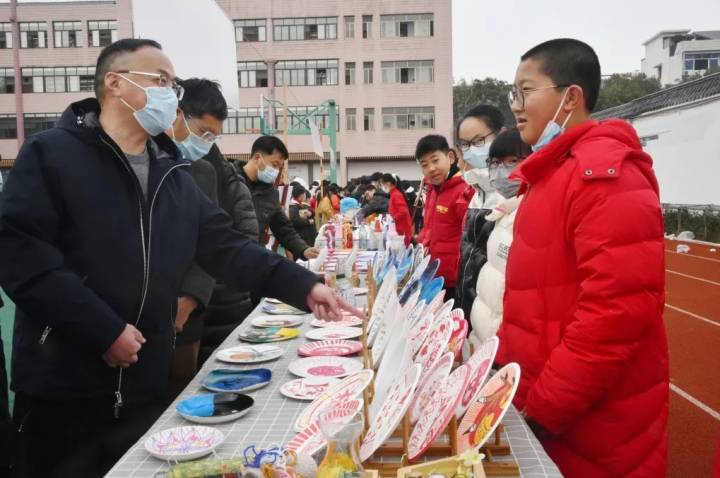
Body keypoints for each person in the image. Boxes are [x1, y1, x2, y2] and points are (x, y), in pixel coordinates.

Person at [0, 38, 356, 478]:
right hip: (64, 384)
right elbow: (23, 257)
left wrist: (305, 285)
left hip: (143, 380)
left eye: (174, 85)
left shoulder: (172, 174)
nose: (171, 94)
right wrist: (103, 330)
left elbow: (227, 246)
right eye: (161, 80)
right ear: (115, 82)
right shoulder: (51, 155)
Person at [496, 38, 668, 476]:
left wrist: (544, 407)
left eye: (526, 91)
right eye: (512, 93)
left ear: (570, 97)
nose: (515, 106)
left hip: (591, 425)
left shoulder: (605, 175)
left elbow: (615, 315)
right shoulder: (553, 172)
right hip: (554, 411)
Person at [468, 128, 530, 346]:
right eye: (494, 163)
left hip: (502, 341)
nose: (501, 171)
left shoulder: (531, 212)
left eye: (512, 160)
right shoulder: (504, 211)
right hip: (485, 331)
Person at [455, 104, 506, 318]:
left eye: (478, 141)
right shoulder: (476, 192)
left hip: (497, 314)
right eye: (465, 144)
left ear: (501, 135)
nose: (472, 150)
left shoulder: (511, 193)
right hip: (473, 309)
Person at [239, 136, 319, 261]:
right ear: (257, 158)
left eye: (279, 167)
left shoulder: (270, 193)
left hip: (253, 258)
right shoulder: (229, 182)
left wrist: (303, 249)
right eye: (274, 165)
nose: (276, 171)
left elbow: (283, 227)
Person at [416, 135, 475, 298]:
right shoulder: (434, 190)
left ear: (450, 157)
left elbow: (470, 240)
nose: (431, 169)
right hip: (434, 275)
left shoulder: (463, 191)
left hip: (454, 281)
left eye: (435, 160)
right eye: (425, 165)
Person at [380, 173, 413, 246]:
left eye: (383, 184)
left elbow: (403, 211)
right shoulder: (393, 194)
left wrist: (392, 220)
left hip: (402, 230)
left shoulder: (396, 194)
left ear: (388, 183)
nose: (383, 187)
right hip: (398, 229)